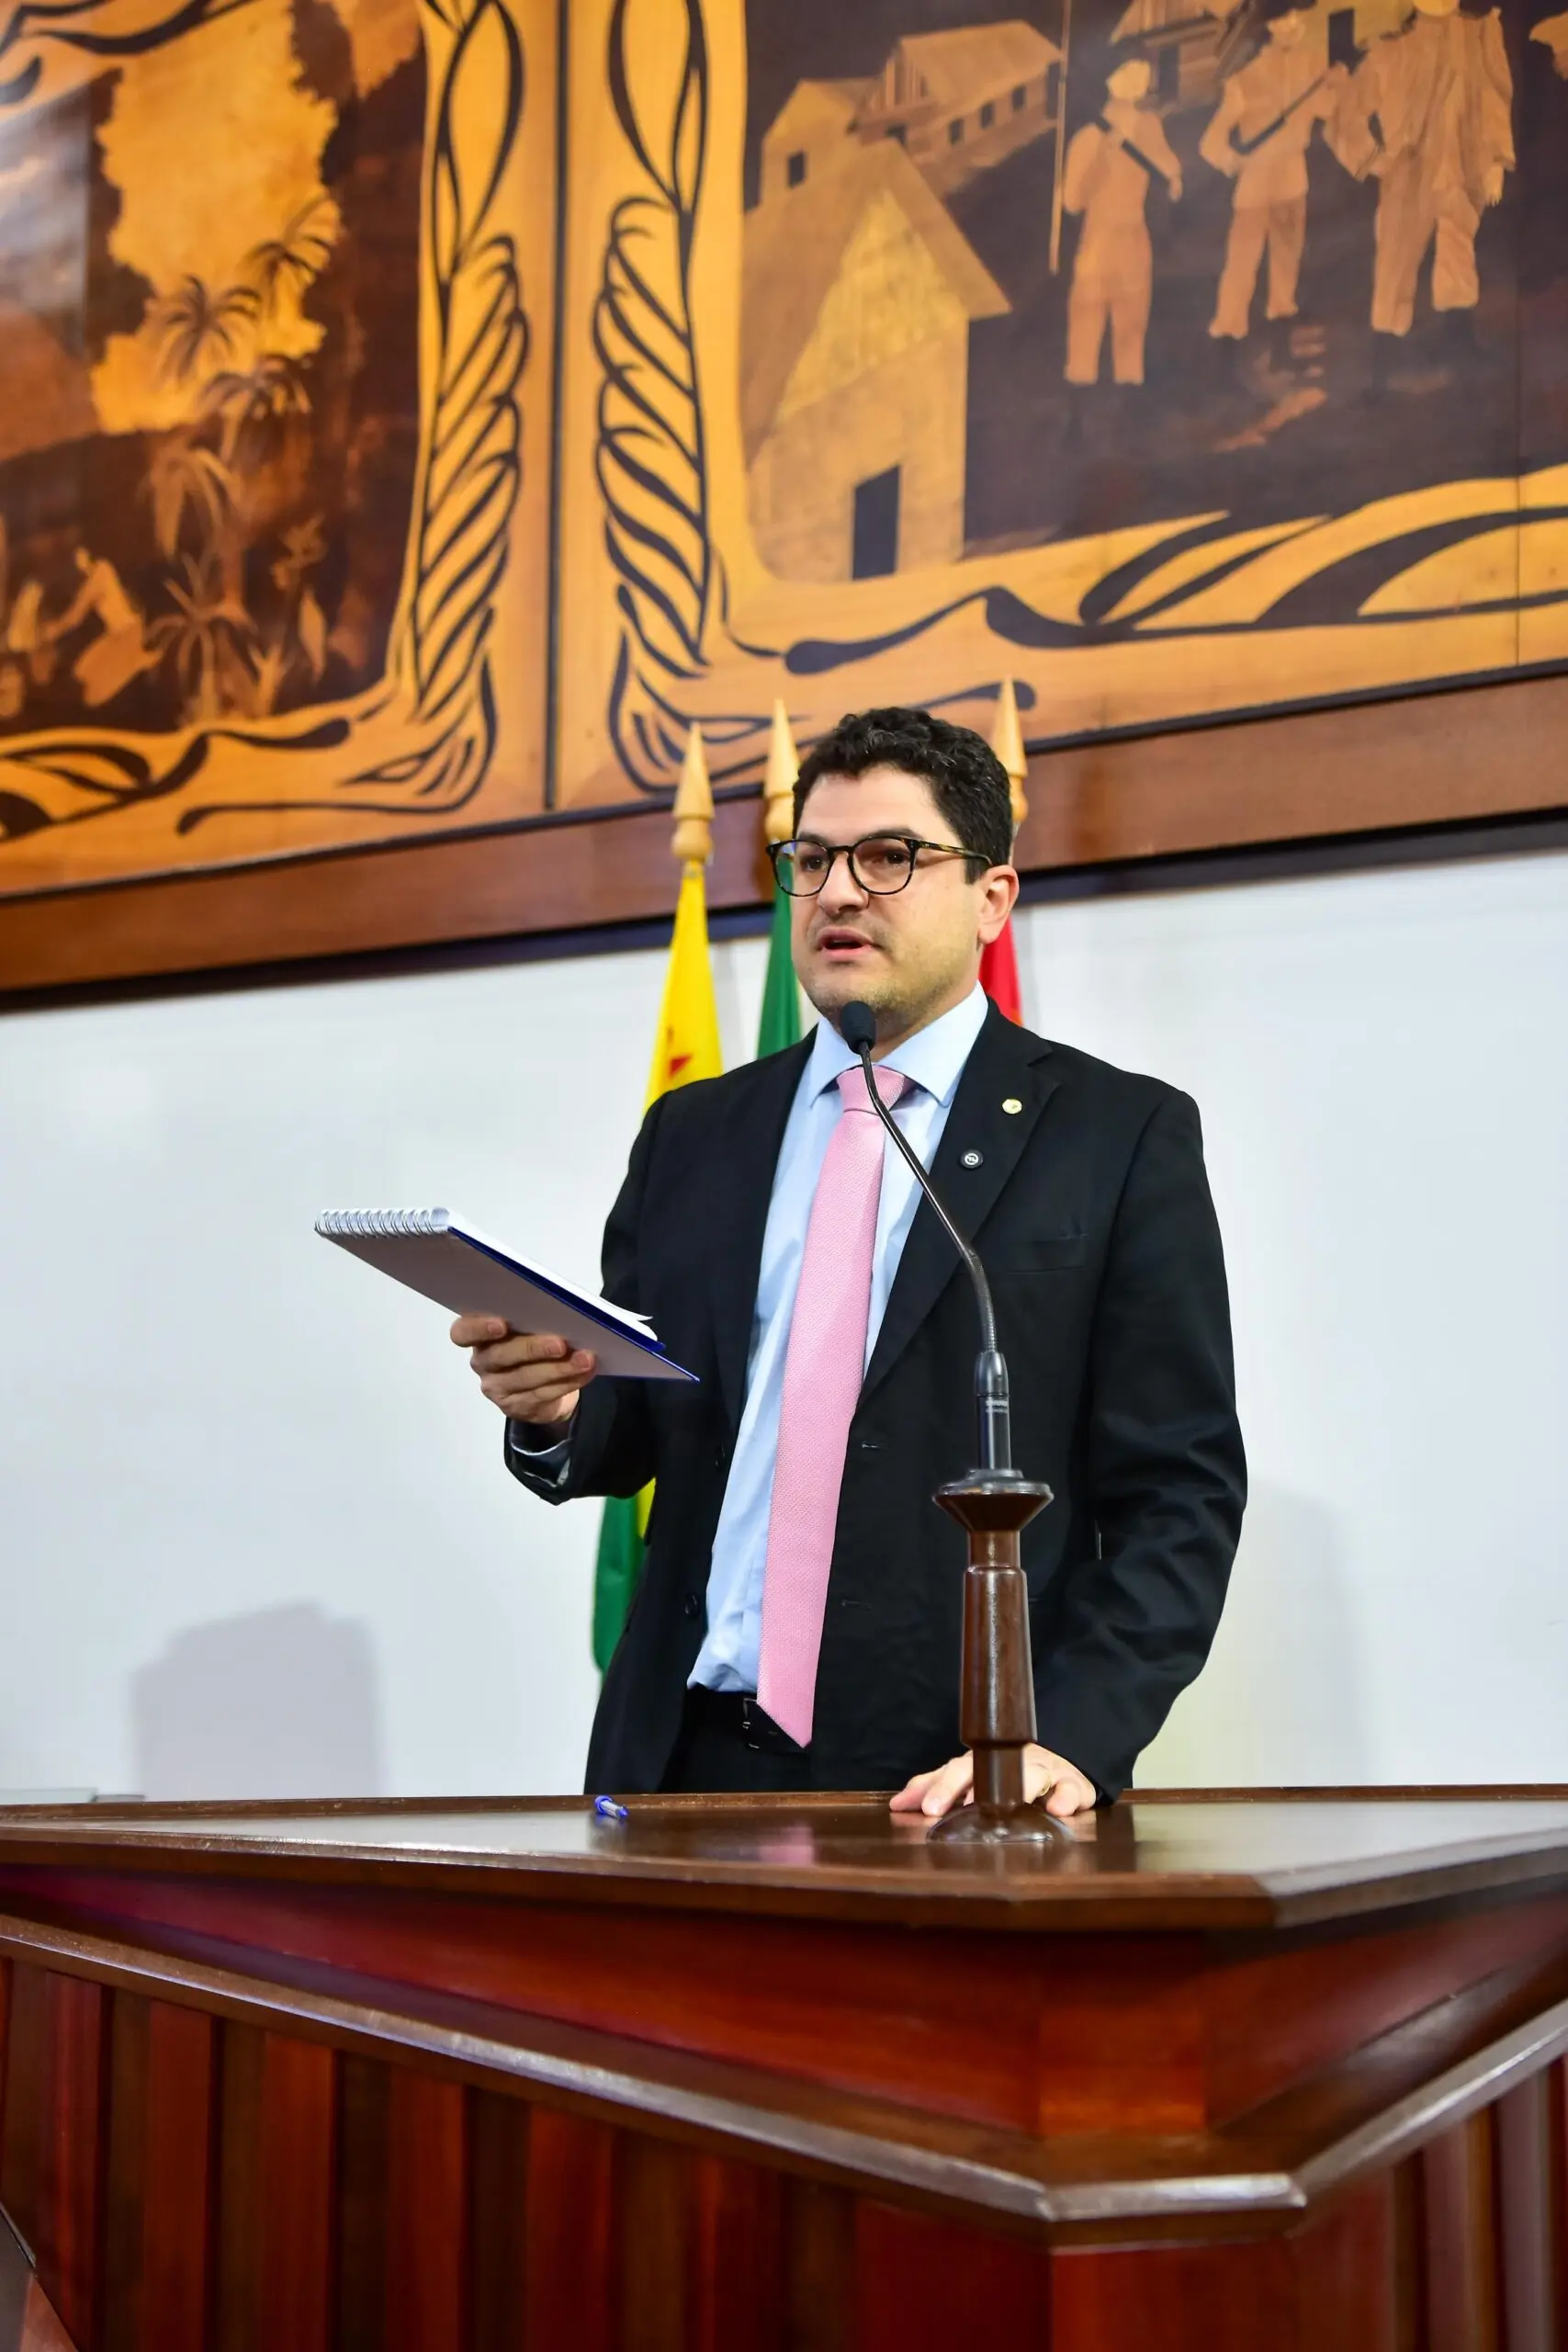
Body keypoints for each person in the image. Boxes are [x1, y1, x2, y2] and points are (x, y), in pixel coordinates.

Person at [455, 708, 1245, 1818]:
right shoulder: (696, 1132)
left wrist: (1071, 1733)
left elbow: (1179, 1492)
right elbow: (638, 1428)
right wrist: (553, 1409)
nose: (836, 892)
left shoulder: (1113, 1135)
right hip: (678, 1758)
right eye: (812, 859)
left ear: (991, 898)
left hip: (948, 1774)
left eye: (888, 857)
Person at [1329, 0, 1513, 346]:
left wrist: (1496, 161)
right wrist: (1374, 160)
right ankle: (1387, 353)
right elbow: (1344, 118)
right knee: (1396, 260)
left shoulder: (1479, 33)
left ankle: (1459, 342)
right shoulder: (1389, 49)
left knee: (1457, 252)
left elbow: (1494, 96)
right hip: (1408, 173)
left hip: (1460, 163)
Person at [1200, 0, 1348, 345]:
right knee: (1242, 260)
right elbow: (1210, 142)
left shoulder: (1310, 62)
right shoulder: (1245, 75)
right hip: (1256, 178)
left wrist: (1338, 84)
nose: (1296, 23)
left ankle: (1282, 319)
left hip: (1293, 173)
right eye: (1286, 17)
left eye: (1297, 15)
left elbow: (1326, 109)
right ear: (1269, 25)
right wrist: (1230, 160)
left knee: (1287, 256)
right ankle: (1228, 330)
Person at [1062, 57, 1183, 391]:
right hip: (1098, 241)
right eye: (1129, 70)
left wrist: (1173, 175)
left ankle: (1128, 408)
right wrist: (1104, 154)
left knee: (1131, 327)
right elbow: (1072, 201)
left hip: (1134, 237)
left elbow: (1168, 164)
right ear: (1110, 79)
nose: (1140, 78)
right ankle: (1078, 412)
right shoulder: (1089, 137)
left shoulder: (1148, 127)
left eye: (1143, 70)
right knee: (1086, 330)